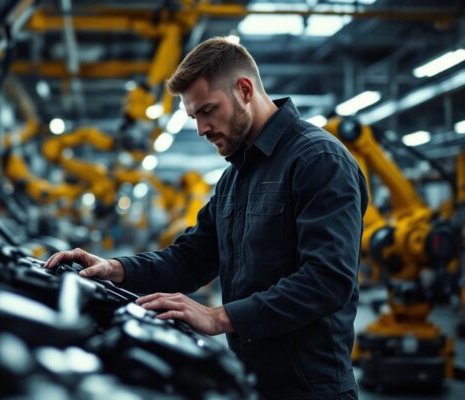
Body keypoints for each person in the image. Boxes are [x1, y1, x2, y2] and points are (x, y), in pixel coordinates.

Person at [44, 37, 368, 400]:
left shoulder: (318, 160)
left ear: (244, 90)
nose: (201, 129)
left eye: (207, 110)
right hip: (248, 379)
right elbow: (191, 259)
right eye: (193, 116)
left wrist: (219, 318)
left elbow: (327, 280)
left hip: (311, 389)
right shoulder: (235, 178)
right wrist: (114, 268)